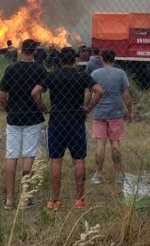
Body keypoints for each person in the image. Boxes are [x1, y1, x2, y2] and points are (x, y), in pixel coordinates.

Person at [32, 47, 104, 210]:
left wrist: (44, 108)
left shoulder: (51, 76)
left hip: (57, 120)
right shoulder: (82, 76)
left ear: (60, 60)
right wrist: (88, 108)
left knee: (56, 160)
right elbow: (99, 91)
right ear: (75, 60)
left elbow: (35, 92)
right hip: (76, 120)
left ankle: (56, 200)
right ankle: (79, 200)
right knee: (78, 159)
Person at [0, 39, 47, 209]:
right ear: (34, 52)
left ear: (21, 51)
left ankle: (9, 200)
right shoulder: (40, 69)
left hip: (14, 117)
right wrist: (42, 109)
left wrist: (8, 109)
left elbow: (1, 96)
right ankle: (25, 198)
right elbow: (38, 94)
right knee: (29, 155)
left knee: (11, 155)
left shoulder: (11, 69)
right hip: (32, 117)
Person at [89, 49, 133, 184]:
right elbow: (126, 95)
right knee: (115, 142)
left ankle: (97, 174)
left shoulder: (95, 74)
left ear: (102, 59)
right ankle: (119, 174)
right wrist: (129, 111)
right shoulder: (120, 73)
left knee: (100, 143)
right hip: (116, 112)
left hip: (99, 113)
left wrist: (87, 108)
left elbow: (87, 93)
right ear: (114, 59)